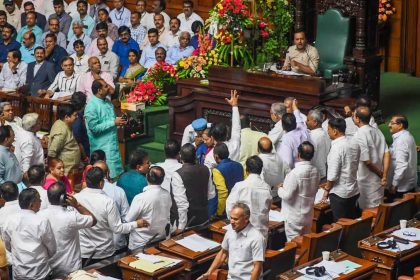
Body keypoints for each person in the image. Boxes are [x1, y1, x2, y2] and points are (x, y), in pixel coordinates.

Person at [74, 167, 148, 264]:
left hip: (83, 251)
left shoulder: (76, 199)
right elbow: (117, 228)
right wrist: (137, 224)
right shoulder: (108, 202)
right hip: (104, 252)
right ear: (101, 183)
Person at [38, 181, 96, 278]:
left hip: (49, 268)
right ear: (64, 197)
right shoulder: (71, 216)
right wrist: (77, 205)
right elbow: (93, 220)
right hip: (70, 268)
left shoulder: (39, 216)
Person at [198, 203, 264, 280]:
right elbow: (223, 253)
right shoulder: (230, 232)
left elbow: (257, 267)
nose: (232, 222)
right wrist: (209, 272)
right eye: (231, 218)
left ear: (246, 219)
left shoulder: (256, 238)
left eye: (235, 219)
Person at [2, 188, 56, 280]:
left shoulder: (9, 219)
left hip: (19, 272)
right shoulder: (42, 221)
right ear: (32, 205)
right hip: (40, 272)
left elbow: (7, 244)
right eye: (39, 199)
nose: (41, 201)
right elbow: (52, 248)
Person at [320, 118, 361, 221]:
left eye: (328, 129)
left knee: (340, 224)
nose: (327, 132)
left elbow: (333, 175)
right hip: (354, 190)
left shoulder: (337, 148)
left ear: (335, 131)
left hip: (340, 193)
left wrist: (326, 192)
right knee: (351, 221)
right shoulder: (354, 143)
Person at [278, 142, 320, 241]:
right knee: (306, 243)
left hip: (294, 217)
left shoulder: (294, 173)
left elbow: (287, 195)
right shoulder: (316, 171)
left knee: (294, 244)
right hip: (308, 214)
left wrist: (280, 188)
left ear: (298, 155)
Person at [85, 80, 124, 178]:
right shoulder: (91, 106)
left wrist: (119, 121)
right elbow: (94, 128)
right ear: (99, 90)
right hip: (102, 147)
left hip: (112, 144)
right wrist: (113, 122)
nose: (109, 88)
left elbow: (110, 120)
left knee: (116, 175)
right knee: (104, 177)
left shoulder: (107, 101)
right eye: (106, 86)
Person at [352, 106, 390, 209]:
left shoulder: (360, 134)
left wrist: (382, 175)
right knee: (378, 209)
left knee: (369, 215)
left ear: (358, 119)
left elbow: (367, 162)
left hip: (367, 183)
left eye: (354, 115)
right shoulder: (377, 131)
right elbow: (386, 154)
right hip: (379, 181)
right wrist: (384, 175)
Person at [126, 166, 172, 250]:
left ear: (146, 177)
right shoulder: (167, 194)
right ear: (162, 179)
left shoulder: (140, 198)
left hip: (140, 244)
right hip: (159, 240)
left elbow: (128, 220)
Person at [226, 155, 272, 238]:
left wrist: (234, 222)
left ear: (246, 170)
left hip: (243, 232)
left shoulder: (240, 186)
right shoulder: (266, 187)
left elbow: (230, 208)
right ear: (261, 170)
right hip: (261, 232)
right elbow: (267, 208)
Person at [172, 143, 214, 229]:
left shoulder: (178, 174)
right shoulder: (207, 169)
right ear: (196, 156)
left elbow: (182, 204)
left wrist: (181, 227)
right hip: (204, 219)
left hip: (188, 223)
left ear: (180, 157)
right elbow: (211, 195)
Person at [93, 160, 129, 251]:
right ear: (108, 172)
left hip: (95, 244)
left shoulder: (84, 194)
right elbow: (126, 218)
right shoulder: (118, 191)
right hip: (117, 241)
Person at [204, 90, 241, 168]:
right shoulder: (235, 144)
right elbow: (236, 127)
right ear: (227, 134)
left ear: (212, 138)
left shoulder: (211, 156)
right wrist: (234, 106)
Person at [387, 115, 417, 198]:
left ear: (400, 125)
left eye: (392, 123)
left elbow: (401, 164)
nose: (389, 125)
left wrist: (394, 184)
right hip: (407, 184)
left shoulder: (401, 140)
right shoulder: (407, 136)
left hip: (402, 187)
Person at [48, 103, 81, 175]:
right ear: (66, 117)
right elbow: (52, 151)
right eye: (75, 115)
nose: (77, 117)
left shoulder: (65, 124)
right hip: (64, 169)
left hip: (69, 167)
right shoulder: (61, 131)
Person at [212, 143, 244, 217]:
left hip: (226, 210)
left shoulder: (217, 170)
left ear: (216, 156)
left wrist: (219, 212)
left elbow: (223, 193)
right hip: (239, 206)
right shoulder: (239, 165)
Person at [278, 99, 310, 169]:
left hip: (294, 171)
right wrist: (295, 107)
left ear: (283, 127)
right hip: (307, 166)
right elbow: (299, 119)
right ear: (296, 124)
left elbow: (288, 162)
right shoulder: (303, 129)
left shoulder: (287, 138)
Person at [307, 109, 330, 179]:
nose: (306, 122)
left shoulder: (313, 137)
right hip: (323, 172)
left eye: (308, 120)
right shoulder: (326, 133)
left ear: (315, 122)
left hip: (314, 174)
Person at [71, 91, 90, 158]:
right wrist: (85, 158)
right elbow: (78, 143)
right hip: (81, 155)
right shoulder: (77, 120)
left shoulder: (75, 115)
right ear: (84, 104)